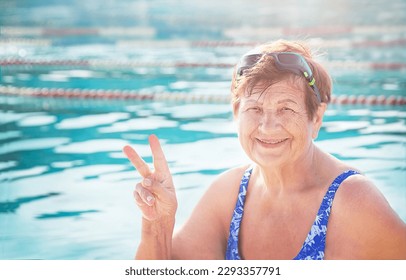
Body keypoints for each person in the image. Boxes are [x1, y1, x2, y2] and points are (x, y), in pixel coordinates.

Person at [122, 39, 406, 260]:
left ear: (316, 118)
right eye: (255, 108)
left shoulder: (353, 203)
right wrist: (157, 226)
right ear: (236, 112)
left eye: (286, 109)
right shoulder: (229, 194)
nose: (268, 127)